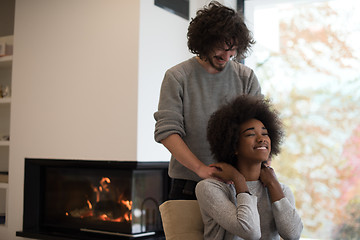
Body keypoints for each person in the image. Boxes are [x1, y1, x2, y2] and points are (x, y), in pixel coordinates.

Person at [154, 1, 262, 200]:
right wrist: (200, 169)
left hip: (236, 186)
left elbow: (259, 129)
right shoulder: (178, 77)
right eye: (221, 49)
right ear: (204, 41)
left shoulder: (246, 78)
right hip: (188, 186)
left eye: (233, 51)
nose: (227, 57)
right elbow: (167, 131)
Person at [195, 95, 303, 240]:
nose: (261, 139)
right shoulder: (210, 188)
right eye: (251, 134)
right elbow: (250, 232)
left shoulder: (280, 190)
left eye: (265, 134)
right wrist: (238, 179)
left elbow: (293, 234)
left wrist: (272, 183)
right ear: (233, 145)